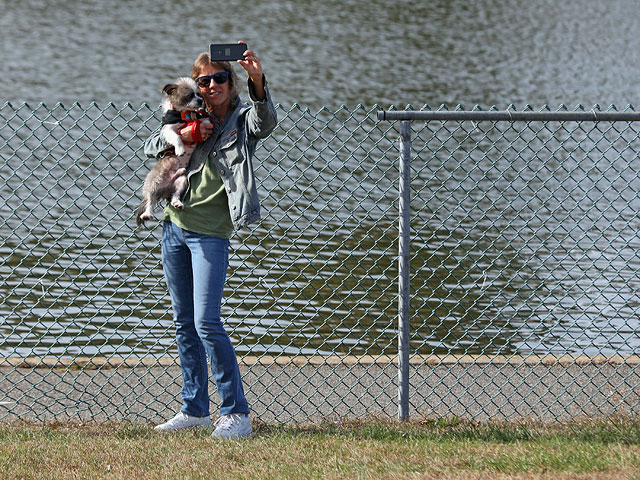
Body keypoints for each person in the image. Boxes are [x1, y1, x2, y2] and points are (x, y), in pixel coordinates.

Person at [143, 42, 277, 439]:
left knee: (207, 322)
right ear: (196, 86)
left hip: (211, 234)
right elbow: (150, 145)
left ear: (230, 83)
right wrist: (183, 132)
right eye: (205, 80)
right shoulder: (188, 114)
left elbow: (265, 121)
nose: (212, 85)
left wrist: (258, 80)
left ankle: (236, 413)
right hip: (173, 227)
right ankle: (195, 409)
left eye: (220, 78)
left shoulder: (240, 119)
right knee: (184, 323)